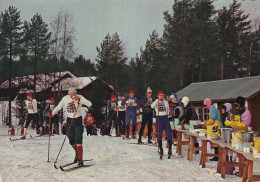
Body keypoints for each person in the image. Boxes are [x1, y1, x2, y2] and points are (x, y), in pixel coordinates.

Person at [49, 87, 92, 166]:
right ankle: (77, 153)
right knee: (71, 140)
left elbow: (90, 104)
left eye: (75, 94)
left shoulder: (80, 97)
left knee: (79, 139)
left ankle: (80, 160)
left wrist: (80, 100)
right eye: (72, 94)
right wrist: (52, 113)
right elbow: (59, 107)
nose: (73, 95)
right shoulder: (65, 99)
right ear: (69, 94)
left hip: (78, 120)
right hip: (69, 121)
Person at [151, 90, 172, 157]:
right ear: (158, 96)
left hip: (165, 118)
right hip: (159, 118)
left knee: (169, 134)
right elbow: (152, 106)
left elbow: (168, 111)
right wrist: (157, 100)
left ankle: (170, 150)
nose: (161, 97)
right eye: (160, 95)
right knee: (159, 135)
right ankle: (161, 149)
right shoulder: (156, 102)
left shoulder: (166, 102)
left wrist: (170, 113)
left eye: (162, 95)